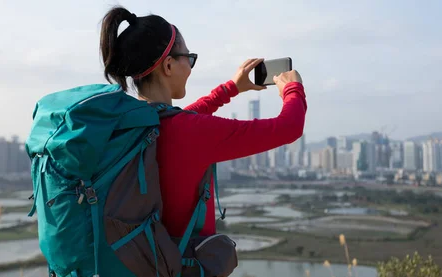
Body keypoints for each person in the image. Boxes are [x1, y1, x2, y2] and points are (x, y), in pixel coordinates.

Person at [100, 6, 307, 239]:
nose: (190, 66)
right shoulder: (190, 132)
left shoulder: (131, 124)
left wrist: (231, 88)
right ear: (168, 66)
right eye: (188, 58)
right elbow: (289, 127)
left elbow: (182, 118)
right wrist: (293, 89)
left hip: (133, 263)